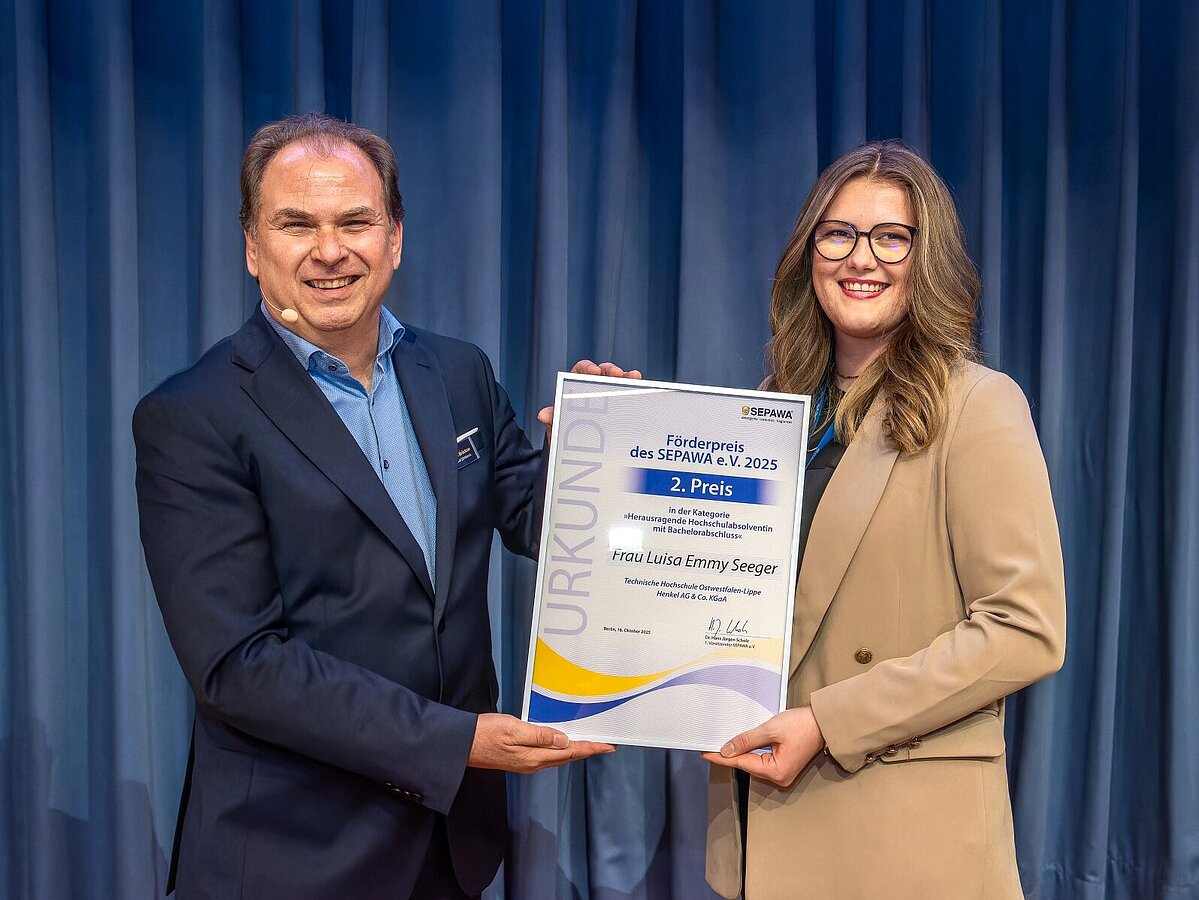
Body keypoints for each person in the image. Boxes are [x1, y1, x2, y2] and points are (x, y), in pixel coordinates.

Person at [133, 113, 632, 900]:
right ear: (253, 247)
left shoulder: (457, 371)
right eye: (296, 224)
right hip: (290, 855)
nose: (329, 250)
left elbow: (541, 520)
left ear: (393, 238)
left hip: (450, 845)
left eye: (355, 221)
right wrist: (455, 741)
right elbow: (238, 665)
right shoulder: (194, 415)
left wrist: (616, 451)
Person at [703, 140, 1067, 898]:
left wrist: (829, 721)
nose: (858, 258)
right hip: (763, 822)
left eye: (889, 237)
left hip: (898, 838)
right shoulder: (773, 408)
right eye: (836, 234)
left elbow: (1025, 627)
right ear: (809, 253)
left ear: (922, 258)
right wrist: (602, 440)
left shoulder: (977, 404)